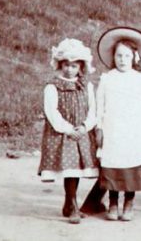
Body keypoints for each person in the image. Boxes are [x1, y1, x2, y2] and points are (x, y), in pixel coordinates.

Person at [94, 27, 141, 221]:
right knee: (114, 167)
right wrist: (100, 127)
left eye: (126, 56)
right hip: (113, 129)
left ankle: (129, 203)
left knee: (132, 167)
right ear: (113, 57)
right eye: (118, 55)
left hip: (134, 131)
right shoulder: (107, 80)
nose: (122, 60)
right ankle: (113, 203)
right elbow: (100, 105)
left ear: (134, 57)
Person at [37, 38, 99, 225]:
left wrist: (85, 126)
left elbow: (92, 109)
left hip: (81, 132)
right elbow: (51, 111)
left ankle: (69, 203)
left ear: (81, 67)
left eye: (74, 66)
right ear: (59, 64)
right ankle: (72, 205)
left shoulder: (86, 86)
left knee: (76, 170)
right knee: (69, 170)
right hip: (62, 133)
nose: (69, 69)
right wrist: (66, 129)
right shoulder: (52, 86)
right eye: (66, 65)